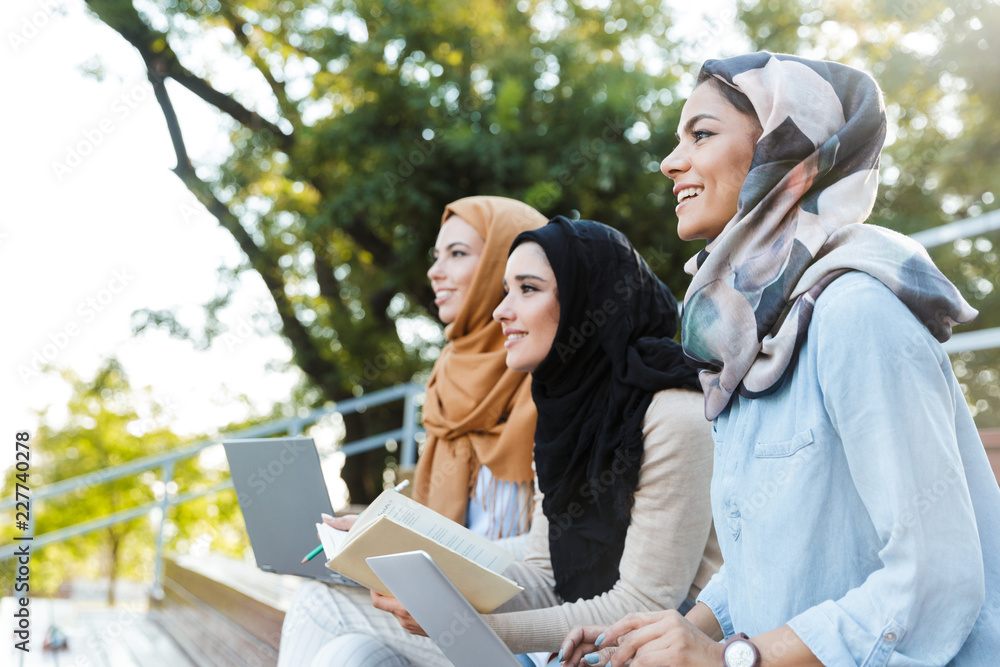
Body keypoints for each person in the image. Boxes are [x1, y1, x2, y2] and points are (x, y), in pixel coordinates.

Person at [558, 52, 1000, 667]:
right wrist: (670, 635)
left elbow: (935, 578)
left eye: (701, 134)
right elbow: (771, 556)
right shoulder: (748, 335)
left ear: (782, 151)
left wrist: (730, 658)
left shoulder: (857, 311)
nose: (669, 162)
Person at [371, 216, 722, 666]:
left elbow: (642, 605)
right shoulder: (565, 415)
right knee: (353, 649)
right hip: (574, 650)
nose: (502, 310)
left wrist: (460, 627)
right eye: (504, 291)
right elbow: (542, 578)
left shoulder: (676, 416)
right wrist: (396, 550)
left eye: (528, 289)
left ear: (585, 302)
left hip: (648, 652)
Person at [276, 195, 546, 667]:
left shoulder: (552, 384)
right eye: (435, 257)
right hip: (437, 607)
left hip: (523, 629)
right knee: (346, 655)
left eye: (457, 254)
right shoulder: (448, 378)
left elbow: (557, 551)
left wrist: (424, 556)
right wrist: (369, 542)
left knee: (319, 606)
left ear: (508, 269)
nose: (435, 272)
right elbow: (434, 517)